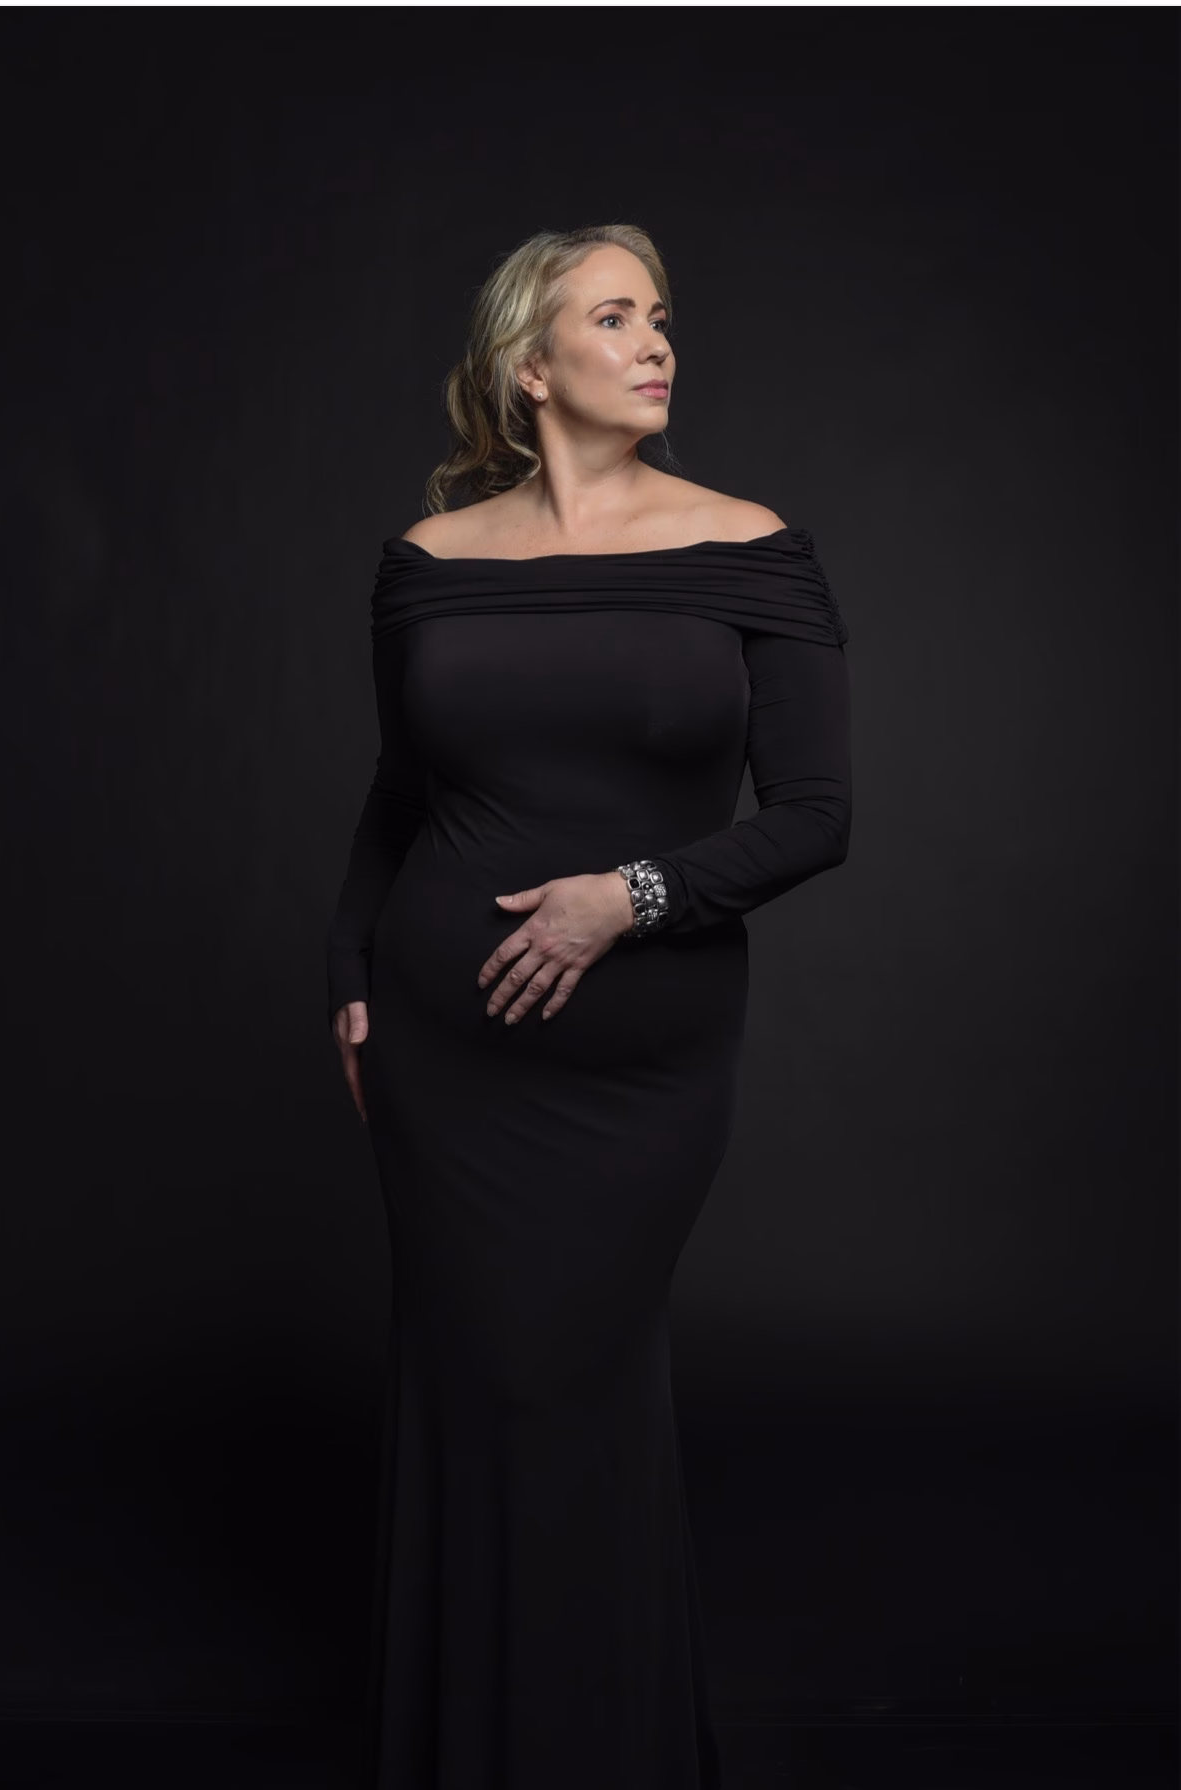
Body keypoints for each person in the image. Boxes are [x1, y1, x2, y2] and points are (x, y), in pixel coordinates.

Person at [326, 223, 852, 1790]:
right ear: (527, 366)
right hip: (441, 1054)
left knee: (574, 1379)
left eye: (660, 315)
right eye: (614, 316)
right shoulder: (425, 565)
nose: (655, 341)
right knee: (474, 1384)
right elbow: (398, 797)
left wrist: (626, 896)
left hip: (638, 1060)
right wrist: (346, 974)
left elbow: (815, 816)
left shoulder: (750, 546)